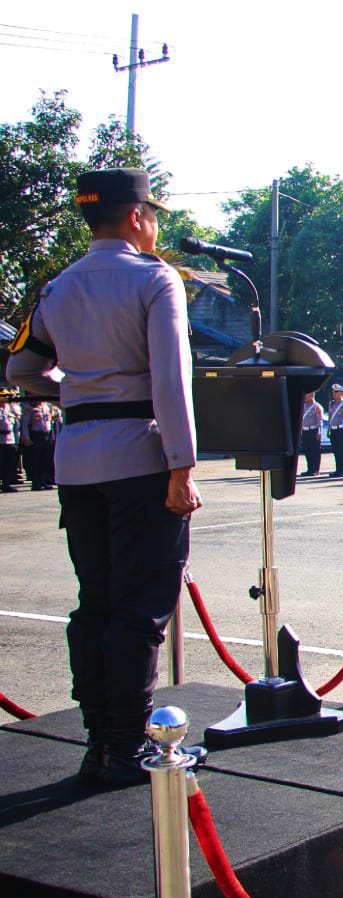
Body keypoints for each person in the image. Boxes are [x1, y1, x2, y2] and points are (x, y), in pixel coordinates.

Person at [5, 167, 203, 786]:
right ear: (138, 216)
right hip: (140, 458)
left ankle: (99, 739)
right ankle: (125, 747)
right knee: (141, 608)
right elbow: (171, 380)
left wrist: (78, 397)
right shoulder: (155, 279)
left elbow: (22, 369)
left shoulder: (57, 287)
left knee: (96, 603)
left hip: (78, 461)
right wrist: (182, 468)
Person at [326, 385, 343, 477]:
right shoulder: (331, 403)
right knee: (336, 451)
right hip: (333, 429)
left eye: (336, 392)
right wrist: (329, 430)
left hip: (341, 430)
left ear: (341, 393)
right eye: (333, 392)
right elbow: (330, 418)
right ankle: (338, 469)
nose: (334, 394)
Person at [0, 390, 20, 492]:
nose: (5, 398)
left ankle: (6, 484)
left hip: (10, 441)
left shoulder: (9, 409)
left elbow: (16, 426)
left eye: (6, 396)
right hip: (0, 441)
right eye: (3, 396)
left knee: (9, 464)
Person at [300, 392, 324, 475]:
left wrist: (319, 433)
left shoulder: (317, 406)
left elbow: (319, 421)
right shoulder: (303, 406)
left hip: (313, 431)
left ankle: (315, 469)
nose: (305, 396)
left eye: (307, 395)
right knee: (307, 451)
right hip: (305, 431)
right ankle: (309, 469)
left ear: (312, 395)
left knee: (315, 451)